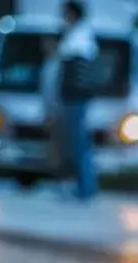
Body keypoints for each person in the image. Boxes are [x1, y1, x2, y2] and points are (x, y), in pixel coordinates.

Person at [51, 0, 100, 200]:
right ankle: (83, 186)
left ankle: (85, 187)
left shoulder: (79, 39)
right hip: (74, 98)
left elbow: (73, 71)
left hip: (75, 99)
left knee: (78, 142)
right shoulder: (79, 36)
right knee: (76, 142)